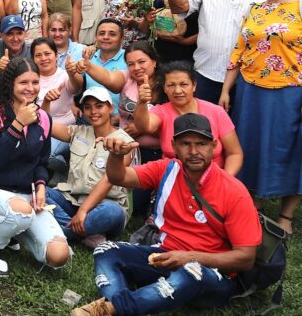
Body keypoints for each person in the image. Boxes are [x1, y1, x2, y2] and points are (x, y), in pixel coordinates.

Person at [72, 113, 261, 316]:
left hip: (212, 274)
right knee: (105, 250)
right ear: (174, 145)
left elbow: (245, 258)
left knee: (191, 272)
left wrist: (189, 257)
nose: (194, 151)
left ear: (214, 146)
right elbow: (119, 176)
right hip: (164, 254)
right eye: (186, 144)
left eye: (201, 144)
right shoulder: (167, 169)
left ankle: (112, 308)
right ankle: (129, 305)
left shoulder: (234, 191)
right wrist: (117, 155)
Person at [222, 0, 302, 234]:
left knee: (291, 148)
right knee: (249, 146)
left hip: (291, 93)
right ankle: (251, 204)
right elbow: (238, 52)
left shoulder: (301, 7)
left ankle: (286, 216)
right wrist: (225, 89)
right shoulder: (255, 10)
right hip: (251, 90)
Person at [0, 58, 70, 277]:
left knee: (58, 256)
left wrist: (41, 186)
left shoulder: (43, 117)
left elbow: (42, 161)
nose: (31, 88)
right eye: (24, 82)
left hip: (26, 195)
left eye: (35, 82)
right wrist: (17, 124)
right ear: (10, 84)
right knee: (20, 213)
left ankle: (14, 232)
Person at [166, 0, 264, 103]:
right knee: (204, 126)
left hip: (247, 78)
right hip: (206, 75)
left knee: (242, 127)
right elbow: (179, 8)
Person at [44, 86, 131, 248]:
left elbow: (108, 181)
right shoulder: (78, 131)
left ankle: (65, 230)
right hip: (72, 201)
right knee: (39, 191)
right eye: (88, 107)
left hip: (104, 206)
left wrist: (84, 210)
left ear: (110, 108)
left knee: (113, 212)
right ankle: (84, 231)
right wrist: (47, 102)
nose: (93, 111)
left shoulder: (123, 142)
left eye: (99, 106)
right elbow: (45, 124)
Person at [133, 61, 243, 173]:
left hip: (214, 179)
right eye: (171, 85)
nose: (177, 91)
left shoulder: (216, 112)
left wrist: (224, 181)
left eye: (183, 84)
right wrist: (141, 102)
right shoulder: (161, 111)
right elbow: (144, 126)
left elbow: (234, 153)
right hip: (174, 180)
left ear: (194, 86)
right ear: (165, 88)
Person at [31, 38, 77, 174]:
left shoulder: (64, 75)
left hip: (63, 129)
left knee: (45, 155)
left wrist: (72, 74)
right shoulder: (30, 77)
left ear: (56, 55)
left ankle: (64, 170)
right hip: (36, 128)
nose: (43, 58)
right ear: (33, 59)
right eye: (38, 55)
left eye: (47, 53)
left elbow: (75, 87)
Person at [71, 18, 128, 104]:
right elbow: (76, 87)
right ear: (96, 36)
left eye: (112, 34)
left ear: (122, 38)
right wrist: (72, 104)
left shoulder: (129, 59)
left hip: (122, 115)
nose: (106, 37)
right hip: (92, 115)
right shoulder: (89, 57)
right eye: (102, 33)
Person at [46, 13, 86, 81]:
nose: (57, 34)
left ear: (70, 31)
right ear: (48, 31)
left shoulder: (81, 50)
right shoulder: (42, 51)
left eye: (62, 30)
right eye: (53, 30)